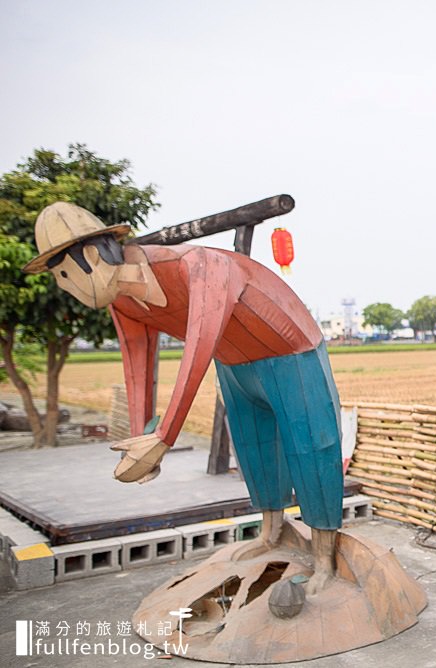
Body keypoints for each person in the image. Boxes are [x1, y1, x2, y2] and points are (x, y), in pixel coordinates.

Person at [24, 201, 343, 594]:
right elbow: (137, 360)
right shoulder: (121, 299)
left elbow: (199, 345)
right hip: (234, 364)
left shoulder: (198, 266)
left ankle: (326, 558)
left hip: (292, 354)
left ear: (91, 256)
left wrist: (164, 438)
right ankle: (272, 532)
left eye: (66, 277)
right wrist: (143, 433)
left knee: (311, 448)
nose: (67, 290)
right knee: (254, 449)